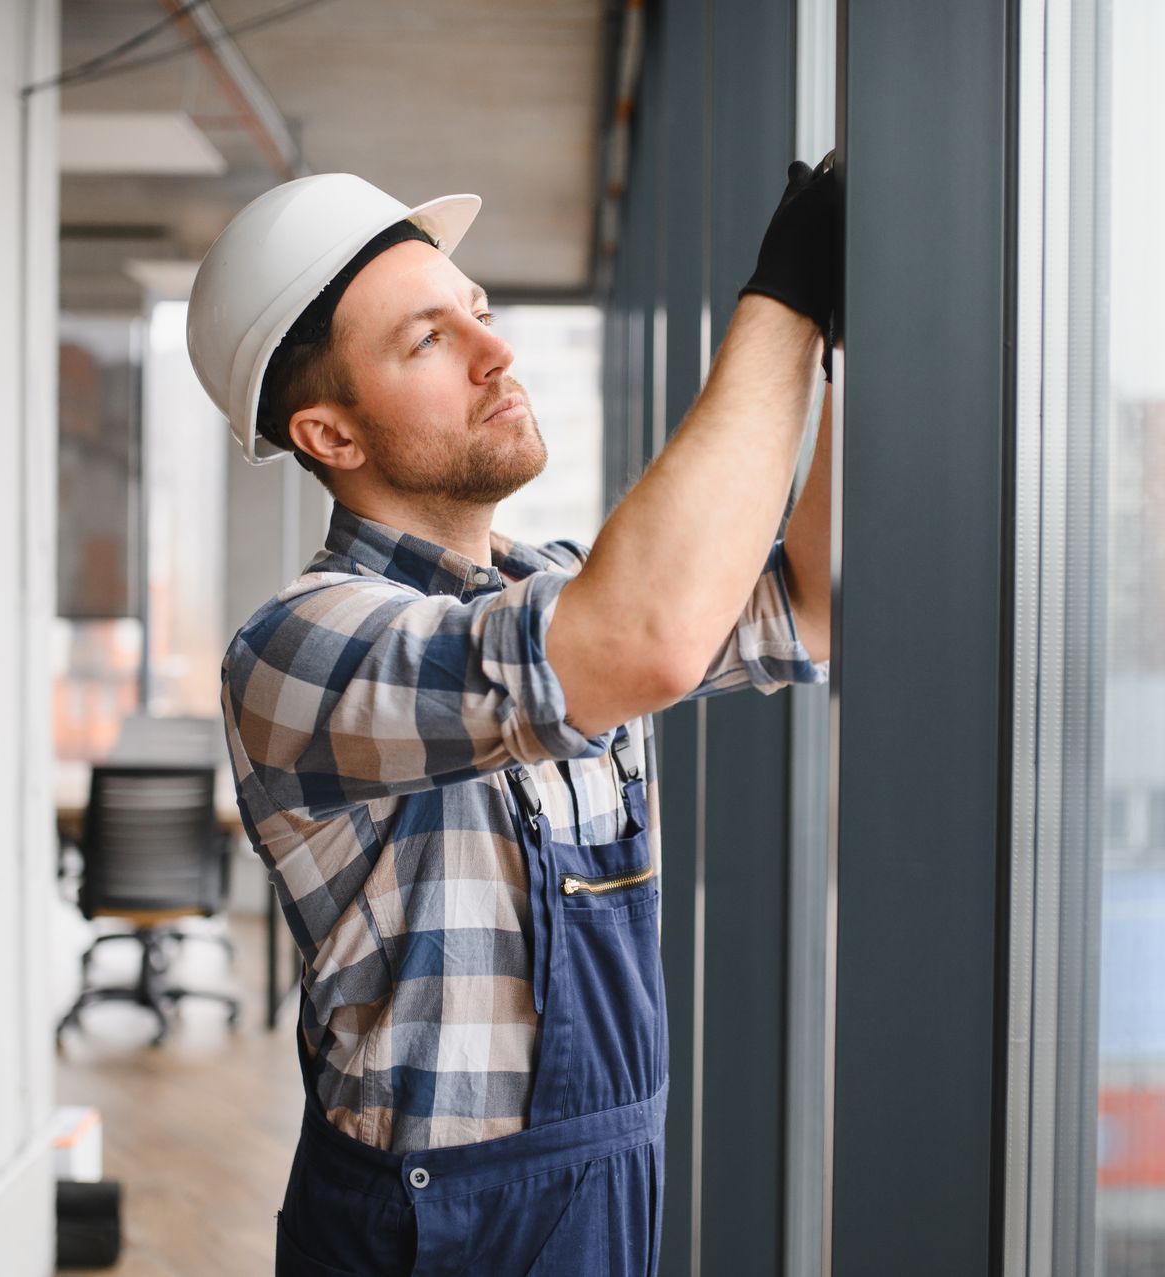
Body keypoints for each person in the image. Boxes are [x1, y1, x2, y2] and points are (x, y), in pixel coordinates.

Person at [187, 160, 839, 1276]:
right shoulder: (301, 645)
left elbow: (817, 606)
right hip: (435, 1231)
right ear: (331, 436)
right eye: (430, 341)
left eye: (478, 313)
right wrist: (777, 298)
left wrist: (839, 334)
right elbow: (646, 637)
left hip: (603, 1183)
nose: (499, 354)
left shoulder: (558, 593)